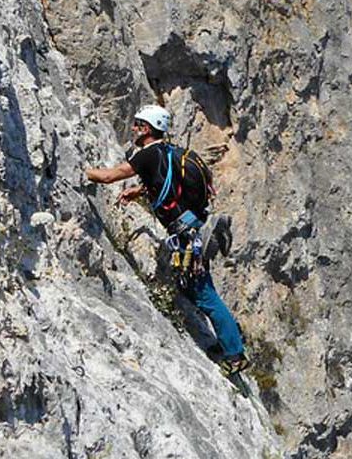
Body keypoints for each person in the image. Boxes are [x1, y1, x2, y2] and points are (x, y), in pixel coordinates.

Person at [85, 104, 249, 375]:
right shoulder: (169, 151)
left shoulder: (147, 154)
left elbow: (109, 176)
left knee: (205, 295)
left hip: (186, 235)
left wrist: (81, 171)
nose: (134, 128)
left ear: (147, 128)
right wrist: (138, 192)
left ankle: (235, 355)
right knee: (193, 289)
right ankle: (229, 340)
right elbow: (166, 185)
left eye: (138, 124)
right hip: (194, 226)